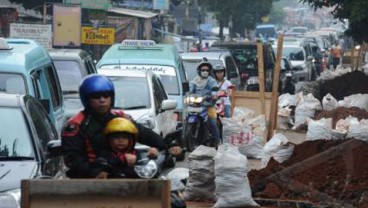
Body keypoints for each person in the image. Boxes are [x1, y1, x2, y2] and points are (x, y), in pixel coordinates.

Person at [62, 74, 182, 179]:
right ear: (87, 99)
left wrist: (168, 145)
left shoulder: (120, 117)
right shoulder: (75, 125)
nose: (102, 100)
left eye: (106, 95)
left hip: (124, 173)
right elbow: (73, 159)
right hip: (90, 179)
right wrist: (94, 170)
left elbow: (143, 133)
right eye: (96, 96)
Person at [189, 58, 220, 147]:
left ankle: (217, 141)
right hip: (195, 105)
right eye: (203, 70)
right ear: (199, 71)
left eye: (207, 70)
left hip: (208, 105)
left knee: (213, 123)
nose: (205, 71)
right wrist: (187, 94)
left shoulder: (211, 80)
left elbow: (214, 89)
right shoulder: (195, 80)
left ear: (209, 71)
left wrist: (214, 95)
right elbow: (190, 91)